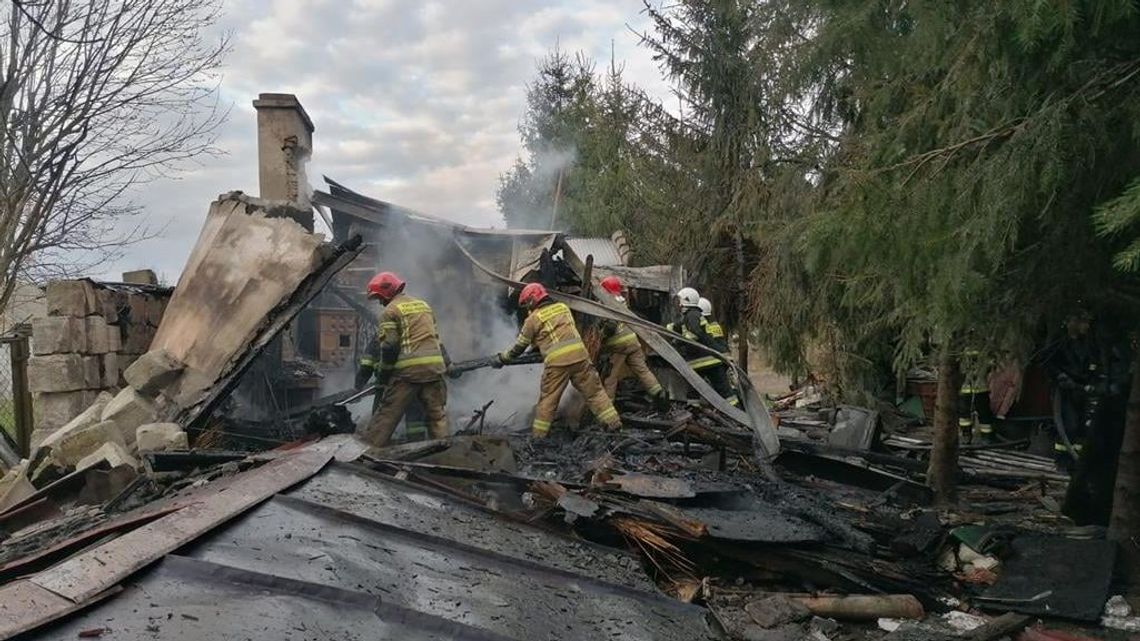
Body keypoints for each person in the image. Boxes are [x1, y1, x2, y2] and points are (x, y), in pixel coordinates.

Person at [497, 282, 622, 437]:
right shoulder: (563, 308)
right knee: (595, 393)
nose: (527, 308)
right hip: (580, 357)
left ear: (532, 300)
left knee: (548, 401)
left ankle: (538, 437)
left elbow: (519, 347)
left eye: (526, 304)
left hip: (558, 364)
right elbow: (559, 332)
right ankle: (614, 424)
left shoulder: (533, 319)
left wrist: (502, 358)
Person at [356, 271, 450, 447]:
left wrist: (384, 376)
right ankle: (444, 451)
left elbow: (390, 346)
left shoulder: (390, 311)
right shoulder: (424, 306)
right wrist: (448, 363)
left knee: (387, 415)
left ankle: (369, 451)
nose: (380, 302)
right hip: (434, 369)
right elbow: (436, 339)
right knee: (437, 415)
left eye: (379, 298)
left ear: (386, 293)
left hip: (408, 374)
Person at [597, 276, 667, 406]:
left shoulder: (608, 303)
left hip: (619, 346)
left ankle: (608, 408)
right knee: (643, 371)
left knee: (610, 378)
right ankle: (660, 396)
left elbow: (611, 326)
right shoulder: (622, 301)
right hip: (633, 342)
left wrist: (600, 337)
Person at [667, 287, 738, 406]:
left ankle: (736, 412)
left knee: (701, 390)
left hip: (702, 360)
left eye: (679, 300)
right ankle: (733, 409)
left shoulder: (692, 315)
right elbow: (676, 327)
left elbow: (696, 333)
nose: (677, 304)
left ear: (686, 300)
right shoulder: (691, 316)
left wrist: (681, 341)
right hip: (709, 360)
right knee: (715, 391)